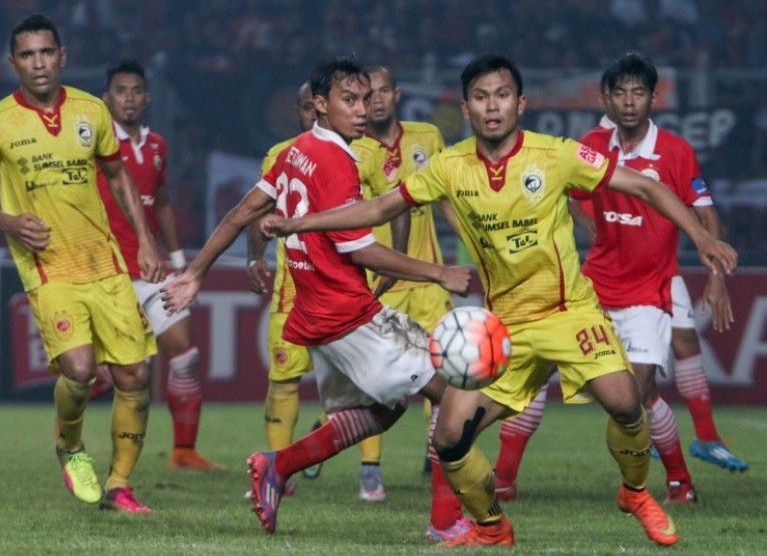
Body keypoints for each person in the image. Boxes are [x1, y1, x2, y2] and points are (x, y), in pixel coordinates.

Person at [259, 54, 738, 548]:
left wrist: (700, 240)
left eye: (503, 95)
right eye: (482, 97)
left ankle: (636, 492)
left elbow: (643, 185)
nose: (493, 106)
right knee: (449, 435)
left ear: (520, 103)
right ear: (465, 109)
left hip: (566, 313)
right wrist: (297, 223)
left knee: (625, 401)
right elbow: (381, 206)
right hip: (503, 326)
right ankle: (491, 526)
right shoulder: (449, 166)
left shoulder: (556, 155)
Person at [162, 57, 472, 538]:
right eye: (349, 100)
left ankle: (278, 465)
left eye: (366, 100)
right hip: (349, 315)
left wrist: (196, 273)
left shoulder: (297, 151)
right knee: (452, 394)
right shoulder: (336, 163)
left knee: (383, 411)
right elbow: (364, 250)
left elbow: (241, 213)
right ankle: (446, 524)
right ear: (321, 106)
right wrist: (438, 272)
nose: (362, 110)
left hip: (316, 315)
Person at [492, 53, 747, 504]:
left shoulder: (675, 151)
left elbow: (704, 214)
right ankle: (504, 479)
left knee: (639, 391)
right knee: (535, 372)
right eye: (621, 93)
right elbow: (565, 190)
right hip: (592, 285)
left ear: (653, 98)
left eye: (639, 93)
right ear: (605, 99)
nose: (629, 102)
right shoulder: (591, 143)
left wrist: (717, 276)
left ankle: (678, 481)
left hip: (648, 293)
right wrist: (582, 217)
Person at [0, 14, 160, 513]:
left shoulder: (93, 110)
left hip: (106, 263)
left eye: (46, 52)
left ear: (62, 56)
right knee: (79, 367)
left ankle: (119, 485)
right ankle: (70, 445)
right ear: (13, 64)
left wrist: (146, 241)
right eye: (27, 55)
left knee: (135, 376)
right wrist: (9, 223)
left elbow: (119, 179)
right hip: (48, 266)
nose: (38, 63)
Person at [94, 58, 224, 472]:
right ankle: (79, 449)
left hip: (153, 273)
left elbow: (163, 203)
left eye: (135, 91)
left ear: (147, 98)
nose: (128, 99)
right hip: (109, 272)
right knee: (113, 372)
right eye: (120, 91)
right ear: (106, 98)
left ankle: (184, 451)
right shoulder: (94, 145)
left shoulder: (157, 146)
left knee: (184, 352)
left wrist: (180, 260)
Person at [351, 65, 463, 532]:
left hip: (431, 283)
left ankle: (434, 458)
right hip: (383, 283)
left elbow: (446, 200)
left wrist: (472, 246)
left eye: (382, 91)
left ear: (397, 94)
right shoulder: (355, 150)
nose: (376, 100)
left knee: (444, 375)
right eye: (366, 94)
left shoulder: (428, 136)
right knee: (378, 381)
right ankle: (370, 467)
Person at [245, 81, 320, 496]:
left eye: (318, 107)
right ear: (299, 111)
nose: (312, 115)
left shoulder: (363, 153)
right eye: (306, 107)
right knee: (284, 380)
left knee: (371, 387)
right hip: (293, 293)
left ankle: (329, 439)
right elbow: (258, 213)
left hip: (348, 290)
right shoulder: (279, 155)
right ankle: (276, 471)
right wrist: (255, 257)